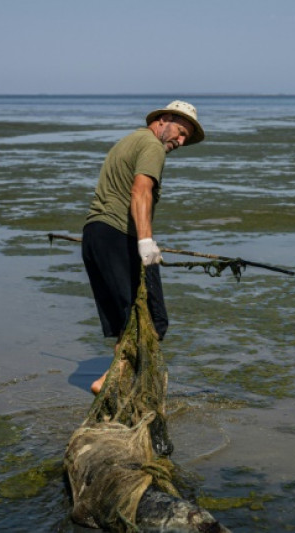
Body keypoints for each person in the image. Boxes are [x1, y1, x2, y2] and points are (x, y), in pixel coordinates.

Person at [82, 101, 205, 394]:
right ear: (164, 119)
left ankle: (118, 383)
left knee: (130, 320)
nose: (181, 140)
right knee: (153, 320)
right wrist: (146, 242)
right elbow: (141, 190)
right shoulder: (151, 146)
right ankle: (109, 382)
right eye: (180, 131)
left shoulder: (128, 141)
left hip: (96, 235)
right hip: (118, 235)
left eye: (186, 137)